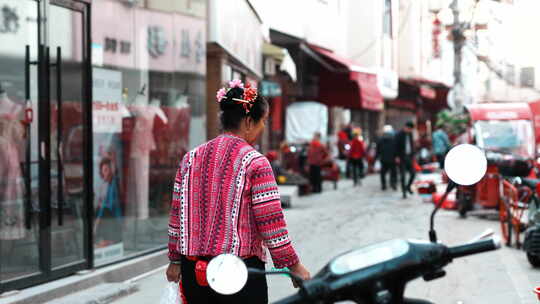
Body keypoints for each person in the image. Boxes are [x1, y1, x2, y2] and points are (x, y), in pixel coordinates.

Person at [166, 80, 310, 303]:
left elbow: (177, 215)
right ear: (249, 122)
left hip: (195, 272)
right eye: (262, 121)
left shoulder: (191, 158)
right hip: (238, 274)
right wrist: (294, 265)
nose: (263, 127)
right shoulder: (255, 162)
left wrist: (175, 260)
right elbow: (271, 223)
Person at [395, 121, 416, 199]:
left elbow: (411, 145)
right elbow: (395, 146)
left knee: (413, 173)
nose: (410, 130)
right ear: (406, 127)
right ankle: (404, 192)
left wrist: (413, 155)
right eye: (409, 129)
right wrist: (396, 157)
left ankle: (408, 186)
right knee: (403, 176)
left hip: (409, 157)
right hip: (401, 157)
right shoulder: (399, 135)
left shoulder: (410, 134)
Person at [375, 125, 397, 191]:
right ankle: (392, 183)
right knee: (393, 172)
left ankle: (384, 185)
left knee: (383, 172)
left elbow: (378, 150)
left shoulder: (380, 139)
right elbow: (396, 149)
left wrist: (377, 157)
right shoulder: (394, 139)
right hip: (392, 158)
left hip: (384, 158)